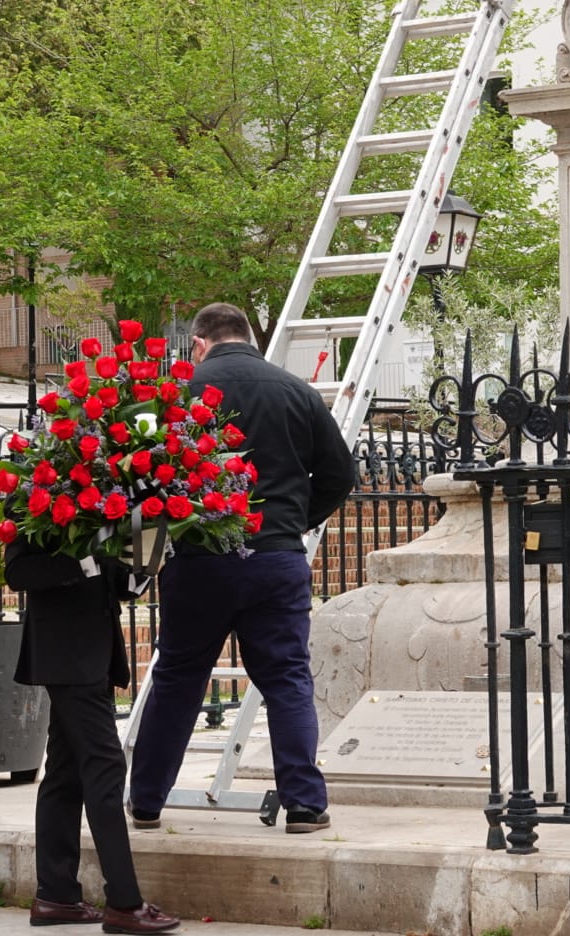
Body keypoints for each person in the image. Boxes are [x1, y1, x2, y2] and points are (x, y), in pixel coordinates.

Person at [128, 302, 355, 834]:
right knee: (287, 678)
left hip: (198, 556)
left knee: (178, 678)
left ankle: (146, 801)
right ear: (249, 337)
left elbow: (143, 477)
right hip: (275, 555)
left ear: (199, 344)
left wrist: (151, 548)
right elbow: (339, 472)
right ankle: (303, 803)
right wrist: (295, 520)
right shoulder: (296, 390)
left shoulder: (176, 394)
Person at [4, 541, 180, 933]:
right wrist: (84, 555)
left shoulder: (99, 498)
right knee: (106, 766)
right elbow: (19, 573)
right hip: (66, 652)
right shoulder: (35, 493)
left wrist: (143, 566)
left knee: (66, 772)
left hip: (93, 652)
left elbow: (116, 582)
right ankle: (124, 903)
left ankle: (56, 896)